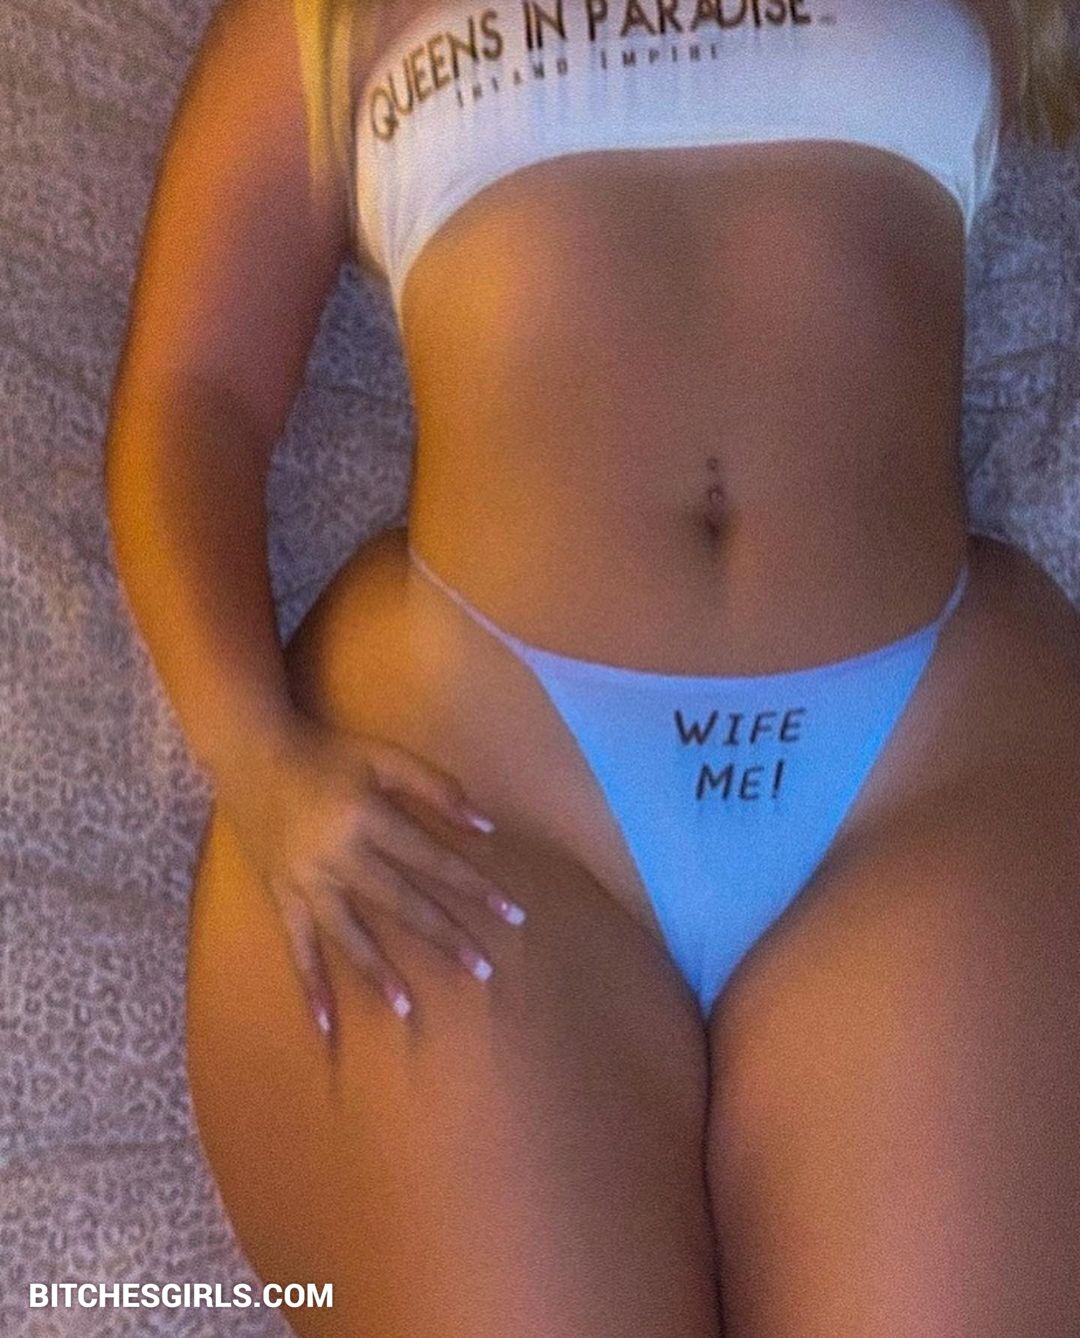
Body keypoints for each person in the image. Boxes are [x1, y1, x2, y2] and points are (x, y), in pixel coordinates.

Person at [105, 0, 1080, 1331]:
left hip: (932, 777)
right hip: (477, 779)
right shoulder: (322, 18)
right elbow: (192, 400)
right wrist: (256, 755)